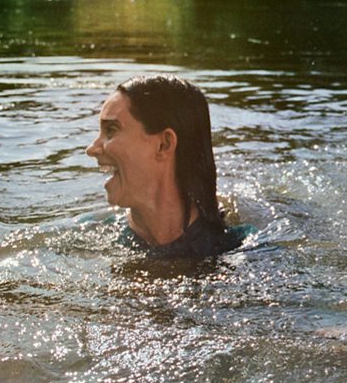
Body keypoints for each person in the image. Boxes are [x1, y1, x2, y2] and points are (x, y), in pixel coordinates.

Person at [86, 74, 240, 258]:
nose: (92, 149)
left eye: (111, 130)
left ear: (164, 145)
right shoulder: (91, 234)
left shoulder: (236, 248)